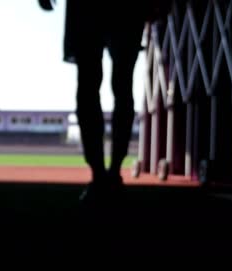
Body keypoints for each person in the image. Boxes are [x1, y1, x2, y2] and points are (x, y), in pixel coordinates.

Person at [38, 0, 152, 203]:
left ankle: (102, 174)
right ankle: (109, 173)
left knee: (93, 87)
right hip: (123, 9)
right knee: (118, 86)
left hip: (92, 9)